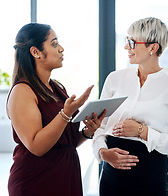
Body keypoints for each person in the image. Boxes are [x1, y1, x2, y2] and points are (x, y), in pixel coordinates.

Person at [92, 17, 168, 196]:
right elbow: (100, 128)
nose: (126, 47)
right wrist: (103, 153)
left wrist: (141, 131)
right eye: (126, 41)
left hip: (150, 179)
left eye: (131, 42)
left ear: (152, 48)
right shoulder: (114, 79)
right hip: (111, 179)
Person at [6, 23, 106, 196]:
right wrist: (66, 113)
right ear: (35, 52)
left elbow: (65, 142)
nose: (61, 49)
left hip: (65, 176)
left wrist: (87, 132)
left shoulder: (57, 88)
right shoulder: (22, 91)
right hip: (36, 182)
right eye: (54, 43)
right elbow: (37, 146)